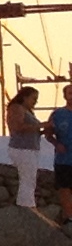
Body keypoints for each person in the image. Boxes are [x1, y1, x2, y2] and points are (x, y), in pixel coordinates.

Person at [10, 84, 52, 220]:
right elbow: (18, 127)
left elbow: (30, 131)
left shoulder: (27, 111)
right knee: (27, 179)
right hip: (22, 148)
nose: (35, 102)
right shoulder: (17, 108)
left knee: (30, 179)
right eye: (33, 98)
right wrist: (41, 125)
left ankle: (27, 204)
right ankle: (26, 206)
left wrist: (41, 131)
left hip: (30, 148)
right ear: (25, 97)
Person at [46, 86, 72, 227]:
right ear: (65, 96)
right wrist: (56, 144)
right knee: (64, 189)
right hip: (64, 159)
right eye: (70, 93)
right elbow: (48, 134)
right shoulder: (58, 114)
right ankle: (69, 218)